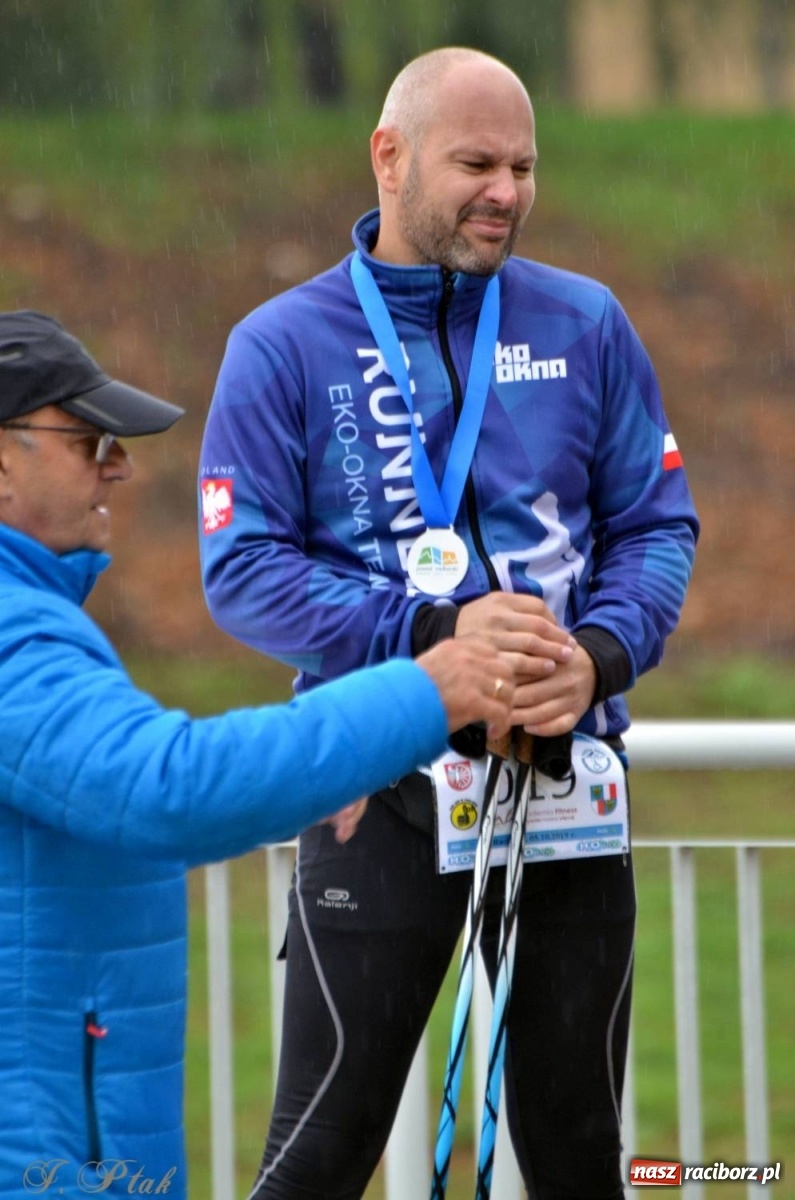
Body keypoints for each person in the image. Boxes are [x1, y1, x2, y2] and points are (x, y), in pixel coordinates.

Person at [199, 47, 699, 1200]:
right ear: (390, 155)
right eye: (477, 164)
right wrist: (430, 639)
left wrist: (600, 656)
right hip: (375, 787)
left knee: (579, 1162)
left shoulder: (586, 321)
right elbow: (245, 571)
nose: (507, 192)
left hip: (563, 786)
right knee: (319, 1157)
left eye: (524, 166)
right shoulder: (282, 342)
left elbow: (656, 525)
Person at [0, 309, 515, 1199]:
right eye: (88, 442)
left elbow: (125, 777)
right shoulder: (13, 632)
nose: (119, 465)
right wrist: (427, 692)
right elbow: (168, 787)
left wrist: (334, 762)